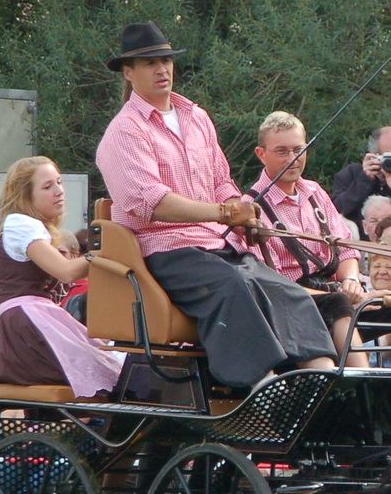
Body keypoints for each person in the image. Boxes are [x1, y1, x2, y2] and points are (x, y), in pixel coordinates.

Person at [95, 25, 336, 390]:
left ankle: (320, 385)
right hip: (165, 252)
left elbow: (221, 182)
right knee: (233, 286)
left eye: (166, 61)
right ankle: (263, 391)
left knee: (287, 289)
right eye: (149, 63)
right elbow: (150, 201)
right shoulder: (125, 131)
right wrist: (222, 214)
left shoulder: (196, 117)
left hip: (216, 246)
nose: (162, 69)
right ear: (128, 72)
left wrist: (243, 213)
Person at [0, 156, 128, 398]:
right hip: (27, 326)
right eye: (47, 186)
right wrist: (109, 251)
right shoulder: (20, 224)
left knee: (114, 368)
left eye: (59, 182)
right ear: (25, 197)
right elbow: (66, 271)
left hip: (37, 318)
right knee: (110, 375)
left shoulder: (33, 227)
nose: (59, 191)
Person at [249, 111, 367, 354]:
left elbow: (345, 248)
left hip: (337, 295)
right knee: (339, 303)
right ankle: (361, 376)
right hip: (293, 305)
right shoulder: (251, 207)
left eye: (298, 150)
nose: (292, 159)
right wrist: (341, 294)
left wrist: (352, 281)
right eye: (282, 151)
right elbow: (270, 283)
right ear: (261, 154)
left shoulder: (315, 192)